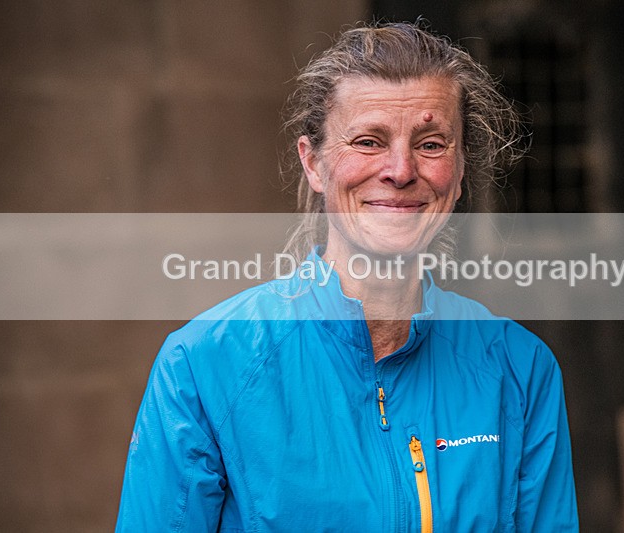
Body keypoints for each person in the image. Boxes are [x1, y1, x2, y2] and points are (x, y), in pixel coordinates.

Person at [116, 22, 578, 532]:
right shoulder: (203, 368)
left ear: (461, 166)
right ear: (313, 163)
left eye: (430, 144)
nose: (401, 170)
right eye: (368, 141)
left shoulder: (520, 369)